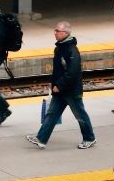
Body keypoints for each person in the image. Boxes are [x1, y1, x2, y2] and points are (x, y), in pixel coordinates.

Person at [26, 21, 96, 150]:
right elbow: (58, 70)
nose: (55, 33)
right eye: (55, 30)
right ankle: (41, 138)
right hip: (60, 89)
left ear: (65, 33)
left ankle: (89, 138)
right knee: (51, 114)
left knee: (80, 115)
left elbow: (72, 72)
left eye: (57, 31)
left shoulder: (71, 50)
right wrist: (53, 82)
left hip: (71, 90)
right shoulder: (59, 48)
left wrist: (59, 85)